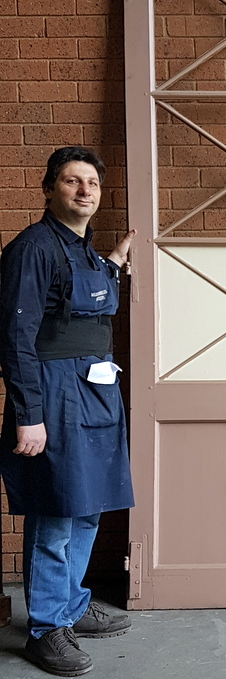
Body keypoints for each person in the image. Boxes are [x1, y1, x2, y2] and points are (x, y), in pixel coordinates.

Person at [0, 147, 136, 676]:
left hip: (97, 388)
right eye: (71, 181)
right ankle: (45, 629)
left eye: (92, 183)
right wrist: (26, 413)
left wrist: (115, 268)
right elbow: (15, 336)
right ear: (48, 188)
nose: (84, 191)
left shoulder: (86, 252)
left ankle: (71, 606)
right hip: (53, 394)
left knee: (87, 503)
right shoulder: (33, 249)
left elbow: (82, 305)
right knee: (56, 508)